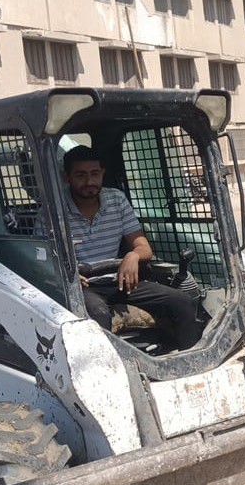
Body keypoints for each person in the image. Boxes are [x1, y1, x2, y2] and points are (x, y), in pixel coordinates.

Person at [59, 145, 205, 351]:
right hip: (83, 287)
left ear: (102, 173)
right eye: (80, 175)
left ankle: (190, 360)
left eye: (94, 174)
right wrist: (67, 272)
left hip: (119, 281)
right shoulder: (54, 207)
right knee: (98, 314)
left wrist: (132, 256)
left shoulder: (116, 200)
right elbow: (43, 258)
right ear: (66, 177)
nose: (89, 182)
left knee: (182, 301)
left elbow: (144, 247)